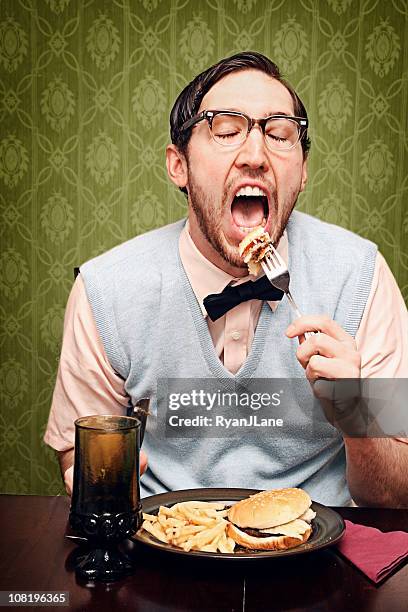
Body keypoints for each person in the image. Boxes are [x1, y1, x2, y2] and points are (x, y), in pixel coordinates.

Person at [44, 52, 408, 507]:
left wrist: (357, 413)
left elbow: (397, 493)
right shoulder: (106, 291)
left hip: (320, 554)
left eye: (279, 133)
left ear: (303, 170)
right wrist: (99, 480)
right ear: (179, 165)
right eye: (227, 130)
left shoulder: (361, 276)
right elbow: (79, 458)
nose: (255, 155)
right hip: (166, 544)